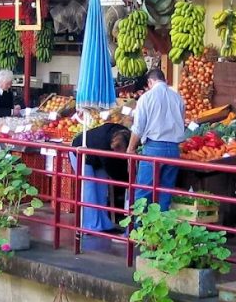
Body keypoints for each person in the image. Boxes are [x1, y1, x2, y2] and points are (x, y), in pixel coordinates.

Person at [127, 68, 185, 211]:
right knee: (165, 193)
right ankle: (161, 230)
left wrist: (131, 148)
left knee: (143, 192)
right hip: (173, 149)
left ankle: (138, 229)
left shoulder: (146, 98)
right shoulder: (178, 97)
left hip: (154, 148)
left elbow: (138, 127)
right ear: (164, 80)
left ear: (150, 82)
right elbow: (182, 122)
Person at [71, 124, 131, 231]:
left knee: (102, 190)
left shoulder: (125, 134)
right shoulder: (104, 144)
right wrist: (128, 181)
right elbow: (112, 170)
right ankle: (91, 226)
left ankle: (104, 224)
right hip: (80, 153)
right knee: (89, 189)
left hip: (96, 157)